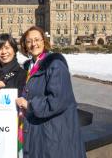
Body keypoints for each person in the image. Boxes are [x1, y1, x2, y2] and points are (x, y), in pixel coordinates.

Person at [16, 26, 86, 158]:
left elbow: (58, 100)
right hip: (37, 132)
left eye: (37, 39)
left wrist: (29, 105)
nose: (33, 44)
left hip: (54, 134)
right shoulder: (28, 66)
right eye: (29, 41)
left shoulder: (55, 64)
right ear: (25, 45)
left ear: (44, 41)